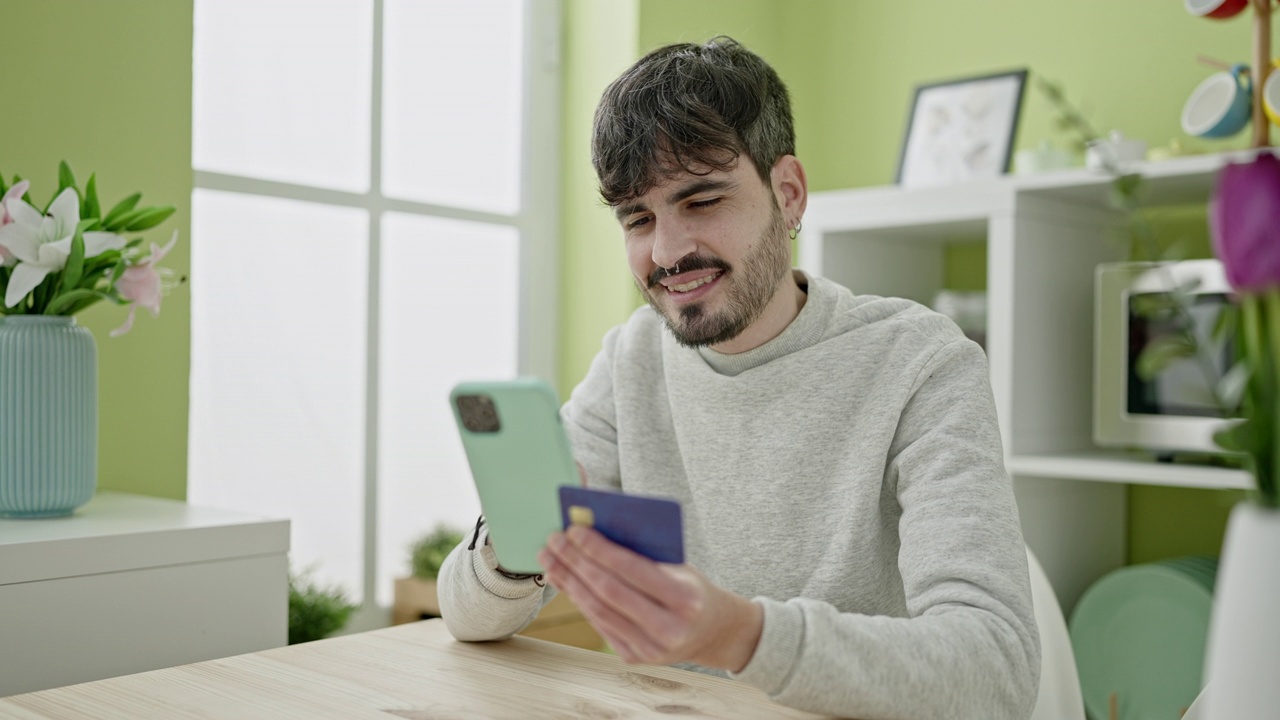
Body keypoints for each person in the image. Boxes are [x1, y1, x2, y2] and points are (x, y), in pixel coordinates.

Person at [437, 36, 1040, 720]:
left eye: (700, 201)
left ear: (788, 194)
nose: (666, 252)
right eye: (638, 217)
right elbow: (466, 616)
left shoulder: (922, 363)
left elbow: (997, 674)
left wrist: (742, 636)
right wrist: (515, 544)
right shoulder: (633, 359)